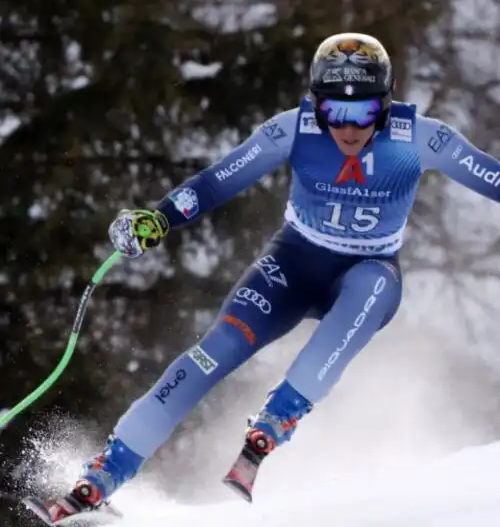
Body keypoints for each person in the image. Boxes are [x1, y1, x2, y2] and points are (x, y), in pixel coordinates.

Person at [38, 32, 500, 518]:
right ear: (315, 105)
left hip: (369, 269)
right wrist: (161, 217)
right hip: (292, 264)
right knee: (212, 351)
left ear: (385, 105)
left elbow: (491, 176)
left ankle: (279, 417)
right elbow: (220, 179)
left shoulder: (421, 138)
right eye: (333, 114)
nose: (347, 130)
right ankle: (105, 473)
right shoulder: (293, 129)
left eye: (362, 113)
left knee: (370, 291)